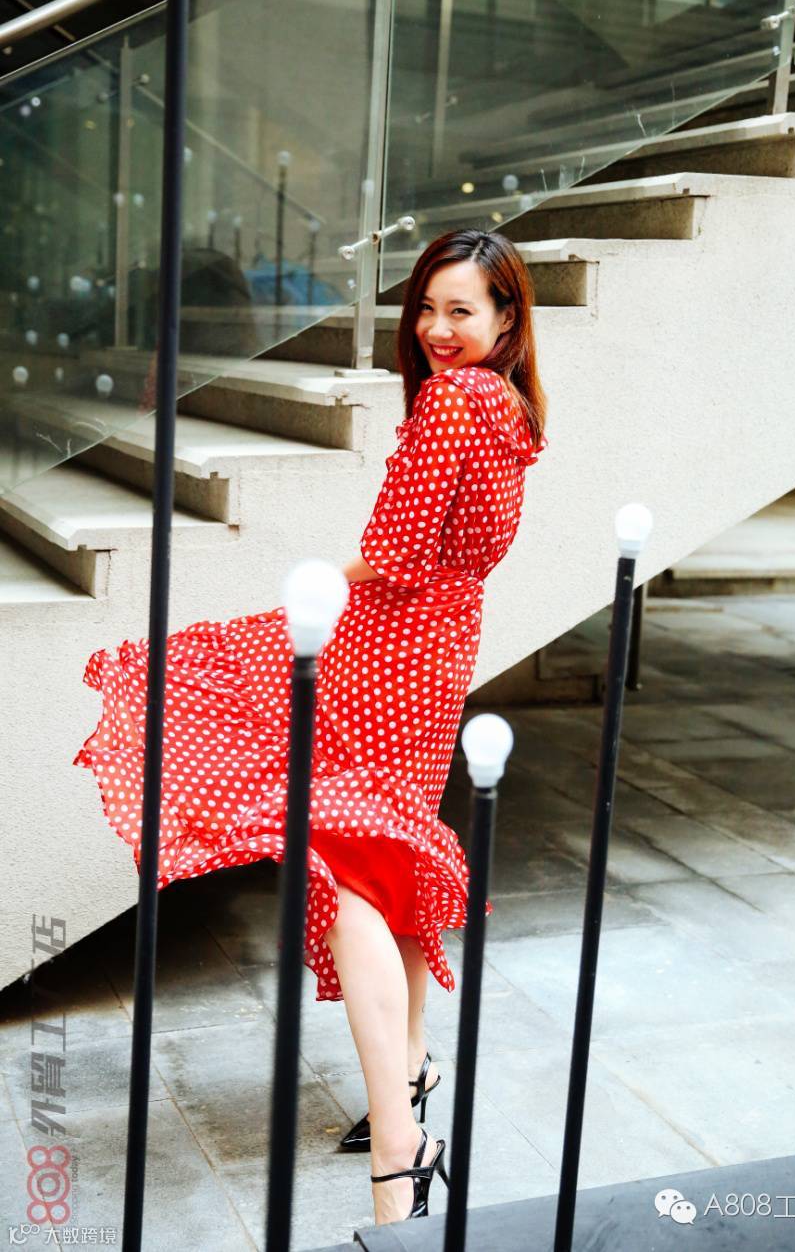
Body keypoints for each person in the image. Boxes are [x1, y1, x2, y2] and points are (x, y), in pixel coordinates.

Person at [73, 226, 548, 1226]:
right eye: (426, 308)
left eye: (461, 311)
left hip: (385, 651)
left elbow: (395, 548)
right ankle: (409, 1072)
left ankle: (400, 1146)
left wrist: (327, 576)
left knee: (344, 870)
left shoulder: (453, 403)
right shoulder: (510, 406)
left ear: (507, 318)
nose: (436, 329)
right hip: (439, 647)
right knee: (386, 857)